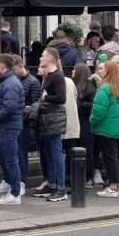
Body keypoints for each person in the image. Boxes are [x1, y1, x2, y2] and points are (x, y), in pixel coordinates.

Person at [90, 61, 119, 198]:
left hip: (107, 129)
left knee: (110, 158)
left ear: (109, 71)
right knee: (118, 156)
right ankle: (118, 185)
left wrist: (92, 122)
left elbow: (98, 111)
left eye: (103, 69)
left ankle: (113, 187)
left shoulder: (104, 88)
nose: (100, 71)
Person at [32, 49, 69, 201]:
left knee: (56, 155)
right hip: (47, 120)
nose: (40, 58)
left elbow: (61, 98)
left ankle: (61, 188)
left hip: (54, 121)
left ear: (50, 59)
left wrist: (46, 98)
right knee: (48, 154)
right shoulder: (49, 76)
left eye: (42, 56)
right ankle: (52, 184)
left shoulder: (58, 76)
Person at [0, 54, 24, 205]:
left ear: (2, 65)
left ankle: (15, 193)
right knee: (1, 158)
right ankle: (11, 185)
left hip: (9, 126)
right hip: (6, 126)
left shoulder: (10, 83)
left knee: (10, 161)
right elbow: (6, 104)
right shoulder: (7, 81)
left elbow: (10, 107)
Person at [72, 63, 97, 185]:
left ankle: (88, 176)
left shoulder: (90, 88)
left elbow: (93, 106)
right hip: (78, 122)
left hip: (86, 123)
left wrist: (79, 104)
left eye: (74, 70)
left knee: (86, 150)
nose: (72, 72)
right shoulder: (75, 86)